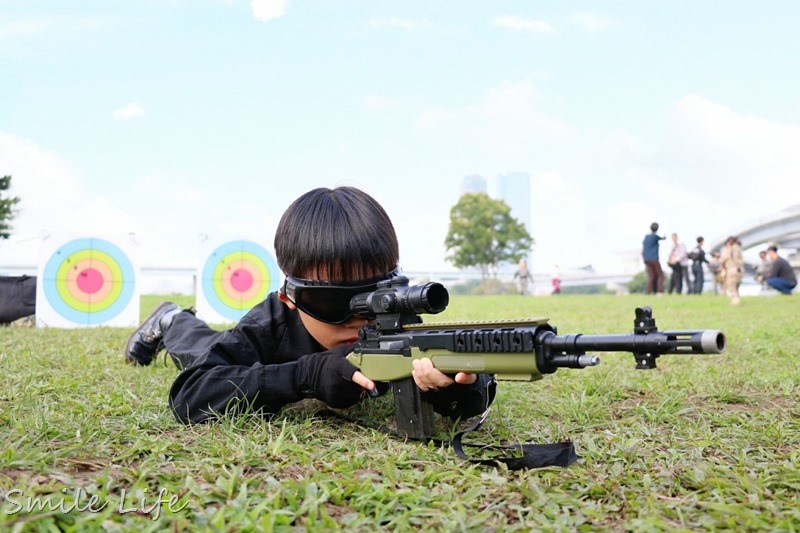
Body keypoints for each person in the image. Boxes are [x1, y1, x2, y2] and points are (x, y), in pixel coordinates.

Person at [124, 186, 496, 425]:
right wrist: (305, 376)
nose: (359, 321)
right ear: (291, 297)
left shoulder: (399, 318)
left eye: (374, 298)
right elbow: (190, 395)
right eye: (334, 302)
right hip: (261, 349)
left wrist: (457, 388)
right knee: (200, 347)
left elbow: (472, 386)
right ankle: (171, 319)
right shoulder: (271, 323)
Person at [719, 236, 744, 305]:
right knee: (736, 287)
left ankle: (735, 301)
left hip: (732, 270)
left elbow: (722, 260)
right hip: (740, 270)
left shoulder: (728, 250)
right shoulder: (739, 248)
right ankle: (737, 300)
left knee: (732, 287)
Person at [642, 222, 665, 295]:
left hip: (647, 259)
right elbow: (662, 238)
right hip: (654, 258)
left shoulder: (646, 237)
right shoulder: (655, 237)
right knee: (660, 275)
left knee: (651, 276)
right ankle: (659, 291)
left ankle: (648, 291)